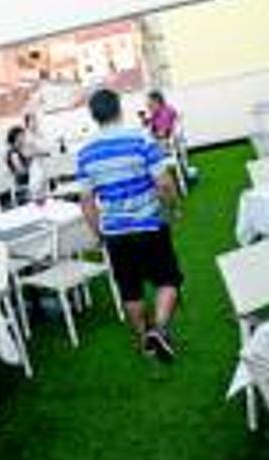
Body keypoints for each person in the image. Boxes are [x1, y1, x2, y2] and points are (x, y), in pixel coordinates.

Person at [76, 88, 184, 359]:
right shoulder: (141, 138)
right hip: (148, 224)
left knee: (130, 289)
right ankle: (158, 329)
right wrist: (172, 207)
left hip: (115, 232)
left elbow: (87, 201)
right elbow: (163, 182)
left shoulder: (85, 153)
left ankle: (145, 342)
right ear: (119, 109)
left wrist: (98, 232)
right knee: (168, 279)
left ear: (94, 116)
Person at [5, 126, 32, 205]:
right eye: (22, 136)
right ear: (16, 138)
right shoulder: (14, 153)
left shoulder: (20, 151)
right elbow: (21, 171)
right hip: (23, 188)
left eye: (24, 136)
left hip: (26, 185)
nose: (24, 139)